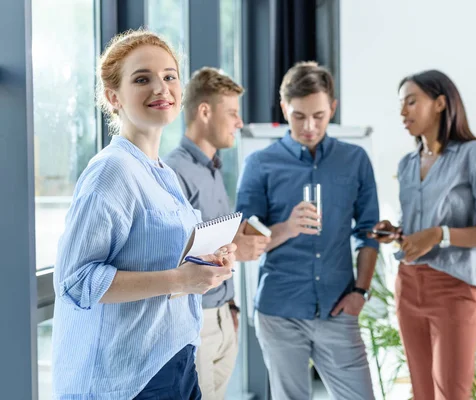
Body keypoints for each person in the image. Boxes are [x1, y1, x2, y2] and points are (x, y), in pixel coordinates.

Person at [52, 30, 236, 400]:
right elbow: (75, 282)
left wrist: (207, 262)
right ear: (113, 97)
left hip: (174, 356)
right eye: (142, 79)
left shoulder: (162, 173)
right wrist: (180, 281)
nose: (161, 88)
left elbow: (155, 255)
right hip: (127, 378)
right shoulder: (112, 171)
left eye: (169, 76)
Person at [236, 61, 379, 400]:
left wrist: (360, 291)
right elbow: (241, 241)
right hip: (279, 310)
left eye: (318, 115)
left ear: (333, 107)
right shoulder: (260, 164)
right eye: (299, 116)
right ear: (284, 108)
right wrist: (285, 228)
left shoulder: (355, 160)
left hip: (338, 306)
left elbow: (369, 231)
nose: (310, 126)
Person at [372, 70, 476, 400]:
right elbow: (416, 226)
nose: (403, 112)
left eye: (411, 102)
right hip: (408, 285)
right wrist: (395, 232)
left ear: (440, 103)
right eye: (400, 105)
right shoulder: (407, 163)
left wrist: (439, 234)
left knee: (451, 393)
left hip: (454, 287)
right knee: (421, 392)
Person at [164, 67, 271, 400]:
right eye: (233, 113)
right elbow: (171, 256)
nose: (240, 123)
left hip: (223, 316)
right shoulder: (174, 171)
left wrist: (231, 306)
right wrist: (236, 246)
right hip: (197, 320)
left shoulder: (213, 168)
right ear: (205, 112)